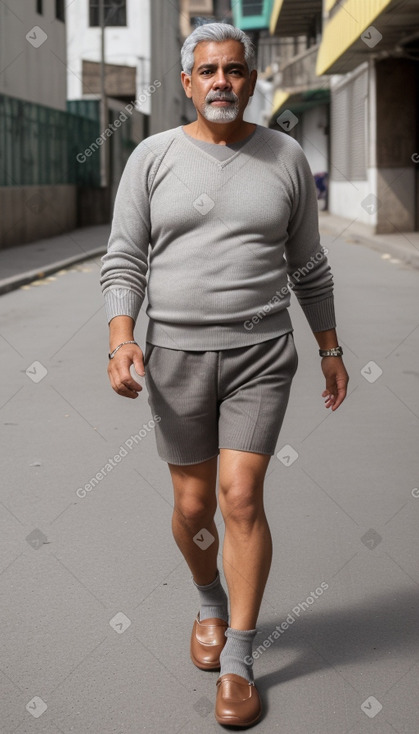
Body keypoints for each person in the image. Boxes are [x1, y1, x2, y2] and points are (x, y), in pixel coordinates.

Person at [100, 22, 349, 728]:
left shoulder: (285, 157)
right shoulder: (151, 157)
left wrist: (329, 346)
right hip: (174, 356)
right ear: (186, 82)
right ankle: (208, 598)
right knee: (192, 508)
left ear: (249, 79)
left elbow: (307, 264)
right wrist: (122, 338)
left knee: (240, 498)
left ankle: (238, 657)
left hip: (261, 356)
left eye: (233, 70)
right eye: (207, 71)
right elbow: (124, 258)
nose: (221, 82)